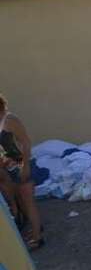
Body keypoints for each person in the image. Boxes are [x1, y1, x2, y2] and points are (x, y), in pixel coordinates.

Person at [0, 94, 44, 250]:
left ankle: (38, 238)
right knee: (22, 201)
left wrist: (25, 166)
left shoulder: (10, 119)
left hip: (23, 165)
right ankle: (37, 229)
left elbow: (25, 142)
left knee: (28, 202)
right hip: (11, 167)